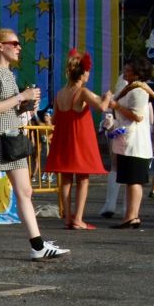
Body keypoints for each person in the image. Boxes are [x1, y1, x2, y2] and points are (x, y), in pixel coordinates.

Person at [0, 30, 69, 260]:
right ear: (0, 46)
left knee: (25, 191)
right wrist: (20, 97)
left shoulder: (10, 74)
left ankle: (37, 245)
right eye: (14, 44)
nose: (19, 48)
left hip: (13, 136)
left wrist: (27, 105)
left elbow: (8, 109)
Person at [44, 51, 109, 230]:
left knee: (65, 179)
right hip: (80, 139)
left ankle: (67, 218)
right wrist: (108, 96)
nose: (88, 74)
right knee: (82, 178)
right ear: (82, 73)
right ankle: (78, 218)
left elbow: (55, 119)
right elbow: (102, 107)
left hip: (64, 139)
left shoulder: (60, 94)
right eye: (87, 71)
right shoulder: (82, 92)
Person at [106, 60, 154, 229]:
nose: (124, 72)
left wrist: (116, 105)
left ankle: (132, 216)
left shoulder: (140, 91)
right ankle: (130, 216)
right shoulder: (130, 87)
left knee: (134, 180)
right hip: (127, 141)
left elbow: (138, 115)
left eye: (128, 69)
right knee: (130, 180)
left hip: (135, 143)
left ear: (137, 72)